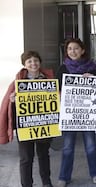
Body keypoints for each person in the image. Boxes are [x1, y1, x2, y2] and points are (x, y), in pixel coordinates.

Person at [0, 51, 54, 187]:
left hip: (44, 124)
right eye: (29, 61)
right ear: (24, 64)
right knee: (26, 158)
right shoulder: (17, 82)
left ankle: (47, 183)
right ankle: (26, 185)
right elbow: (7, 106)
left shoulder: (49, 81)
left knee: (44, 155)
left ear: (40, 62)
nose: (33, 63)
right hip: (25, 126)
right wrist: (12, 101)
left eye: (35, 60)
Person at [56, 38, 96, 187]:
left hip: (87, 115)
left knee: (91, 146)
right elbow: (57, 90)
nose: (73, 51)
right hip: (70, 114)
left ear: (82, 50)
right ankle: (64, 177)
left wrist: (94, 78)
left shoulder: (92, 67)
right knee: (68, 147)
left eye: (76, 48)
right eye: (70, 49)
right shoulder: (63, 69)